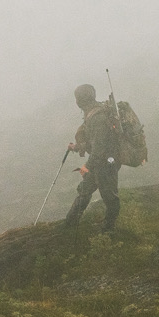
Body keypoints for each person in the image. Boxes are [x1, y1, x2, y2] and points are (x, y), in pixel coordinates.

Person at [62, 82, 123, 232]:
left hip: (107, 163)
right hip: (100, 162)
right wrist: (76, 147)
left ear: (80, 101)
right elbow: (93, 143)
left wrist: (86, 167)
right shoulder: (93, 114)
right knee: (84, 190)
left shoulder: (97, 118)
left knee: (109, 197)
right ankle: (69, 225)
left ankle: (109, 230)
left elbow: (98, 150)